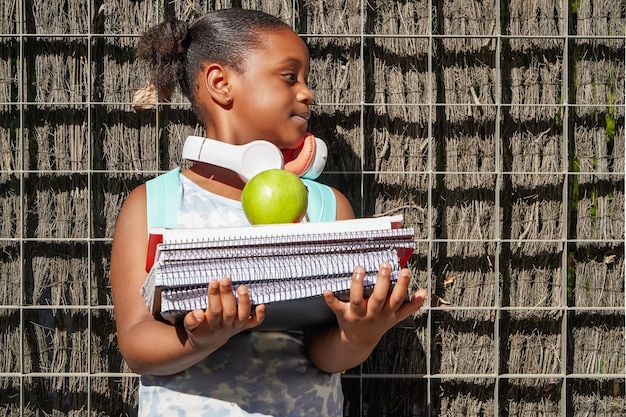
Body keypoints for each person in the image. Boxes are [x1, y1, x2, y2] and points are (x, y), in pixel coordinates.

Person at [110, 7, 428, 417]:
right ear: (221, 83)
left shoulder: (327, 206)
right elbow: (136, 344)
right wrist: (202, 339)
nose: (307, 92)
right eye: (289, 76)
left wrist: (358, 334)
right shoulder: (153, 203)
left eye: (306, 79)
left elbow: (324, 353)